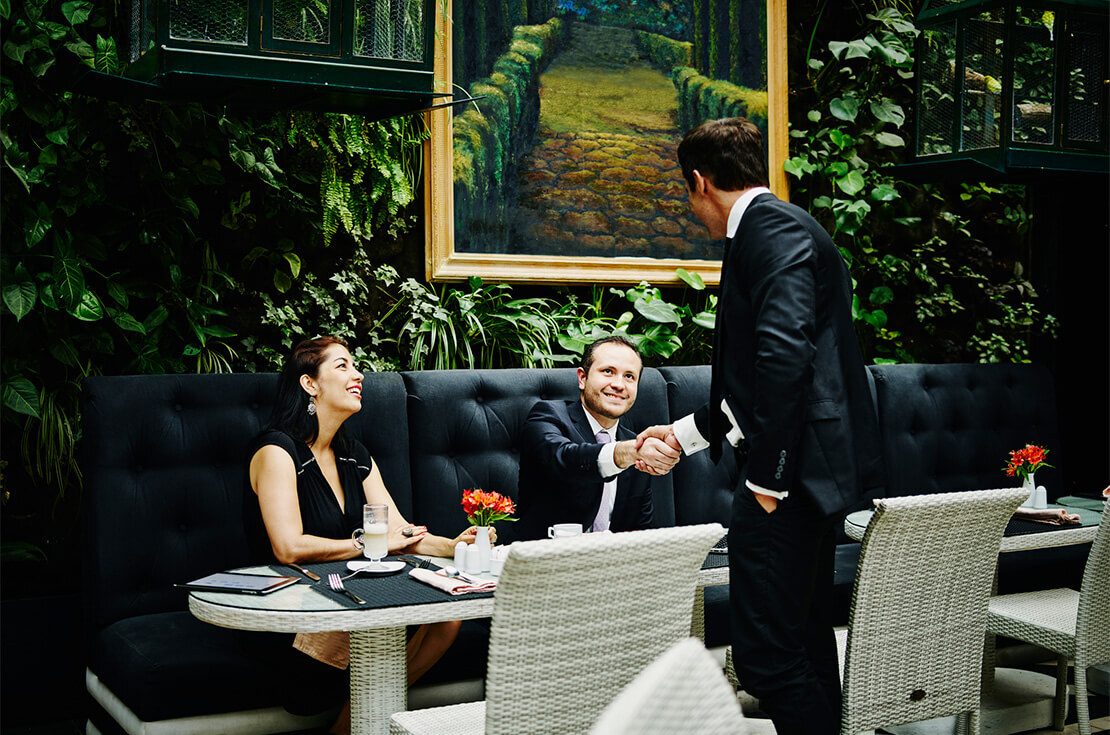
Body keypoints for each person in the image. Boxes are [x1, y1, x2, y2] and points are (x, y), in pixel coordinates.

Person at [636, 118, 884, 735]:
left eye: (688, 195)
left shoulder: (771, 231)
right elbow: (754, 386)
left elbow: (784, 358)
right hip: (802, 476)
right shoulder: (781, 228)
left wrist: (768, 483)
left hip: (789, 483)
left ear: (700, 182)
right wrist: (682, 437)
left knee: (765, 658)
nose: (693, 210)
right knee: (801, 642)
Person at [245, 335, 488, 735]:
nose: (357, 374)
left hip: (353, 596)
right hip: (294, 609)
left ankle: (350, 725)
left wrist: (455, 545)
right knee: (368, 624)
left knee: (449, 620)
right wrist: (368, 544)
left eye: (355, 366)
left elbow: (398, 532)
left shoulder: (354, 453)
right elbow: (288, 548)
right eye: (342, 366)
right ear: (310, 384)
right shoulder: (276, 451)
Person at [512, 335, 681, 541]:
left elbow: (639, 532)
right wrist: (628, 452)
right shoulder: (547, 415)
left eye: (629, 376)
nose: (619, 384)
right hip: (544, 563)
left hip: (611, 567)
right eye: (608, 372)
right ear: (582, 378)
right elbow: (566, 459)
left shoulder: (635, 443)